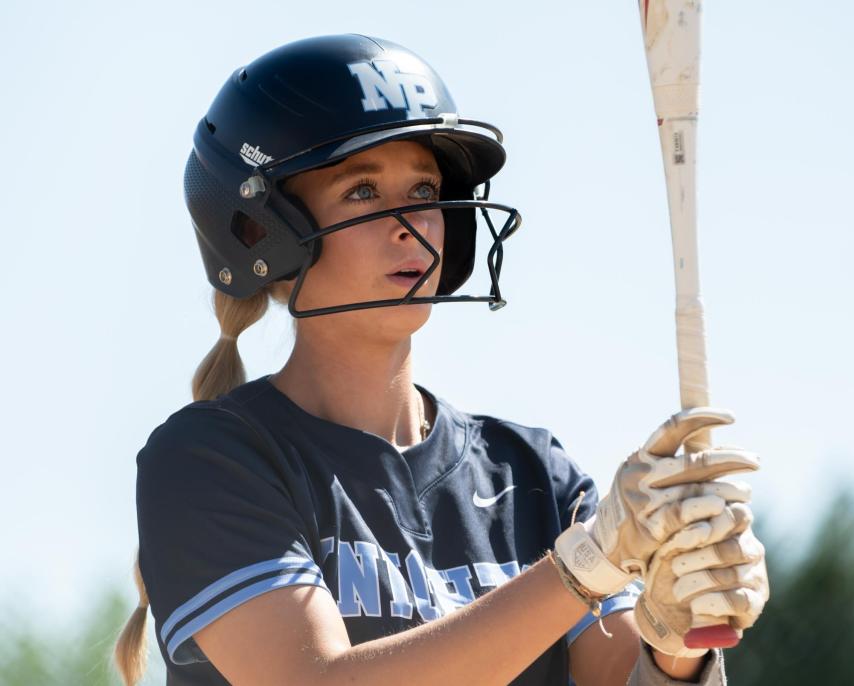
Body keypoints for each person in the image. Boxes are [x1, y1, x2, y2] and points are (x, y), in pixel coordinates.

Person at [114, 35, 769, 686]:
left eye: (424, 190)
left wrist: (677, 643)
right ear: (261, 231)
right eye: (363, 191)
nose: (412, 223)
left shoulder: (534, 473)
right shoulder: (209, 461)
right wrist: (585, 567)